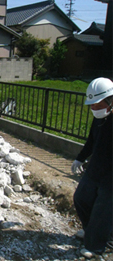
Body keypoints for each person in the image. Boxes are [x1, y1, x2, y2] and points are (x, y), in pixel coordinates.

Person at [71, 77, 113, 258]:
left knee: (103, 210)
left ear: (110, 100)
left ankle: (97, 246)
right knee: (82, 198)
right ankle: (92, 232)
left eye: (97, 104)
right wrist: (80, 159)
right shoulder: (100, 118)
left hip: (111, 175)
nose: (93, 108)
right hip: (96, 167)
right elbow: (92, 141)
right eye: (91, 105)